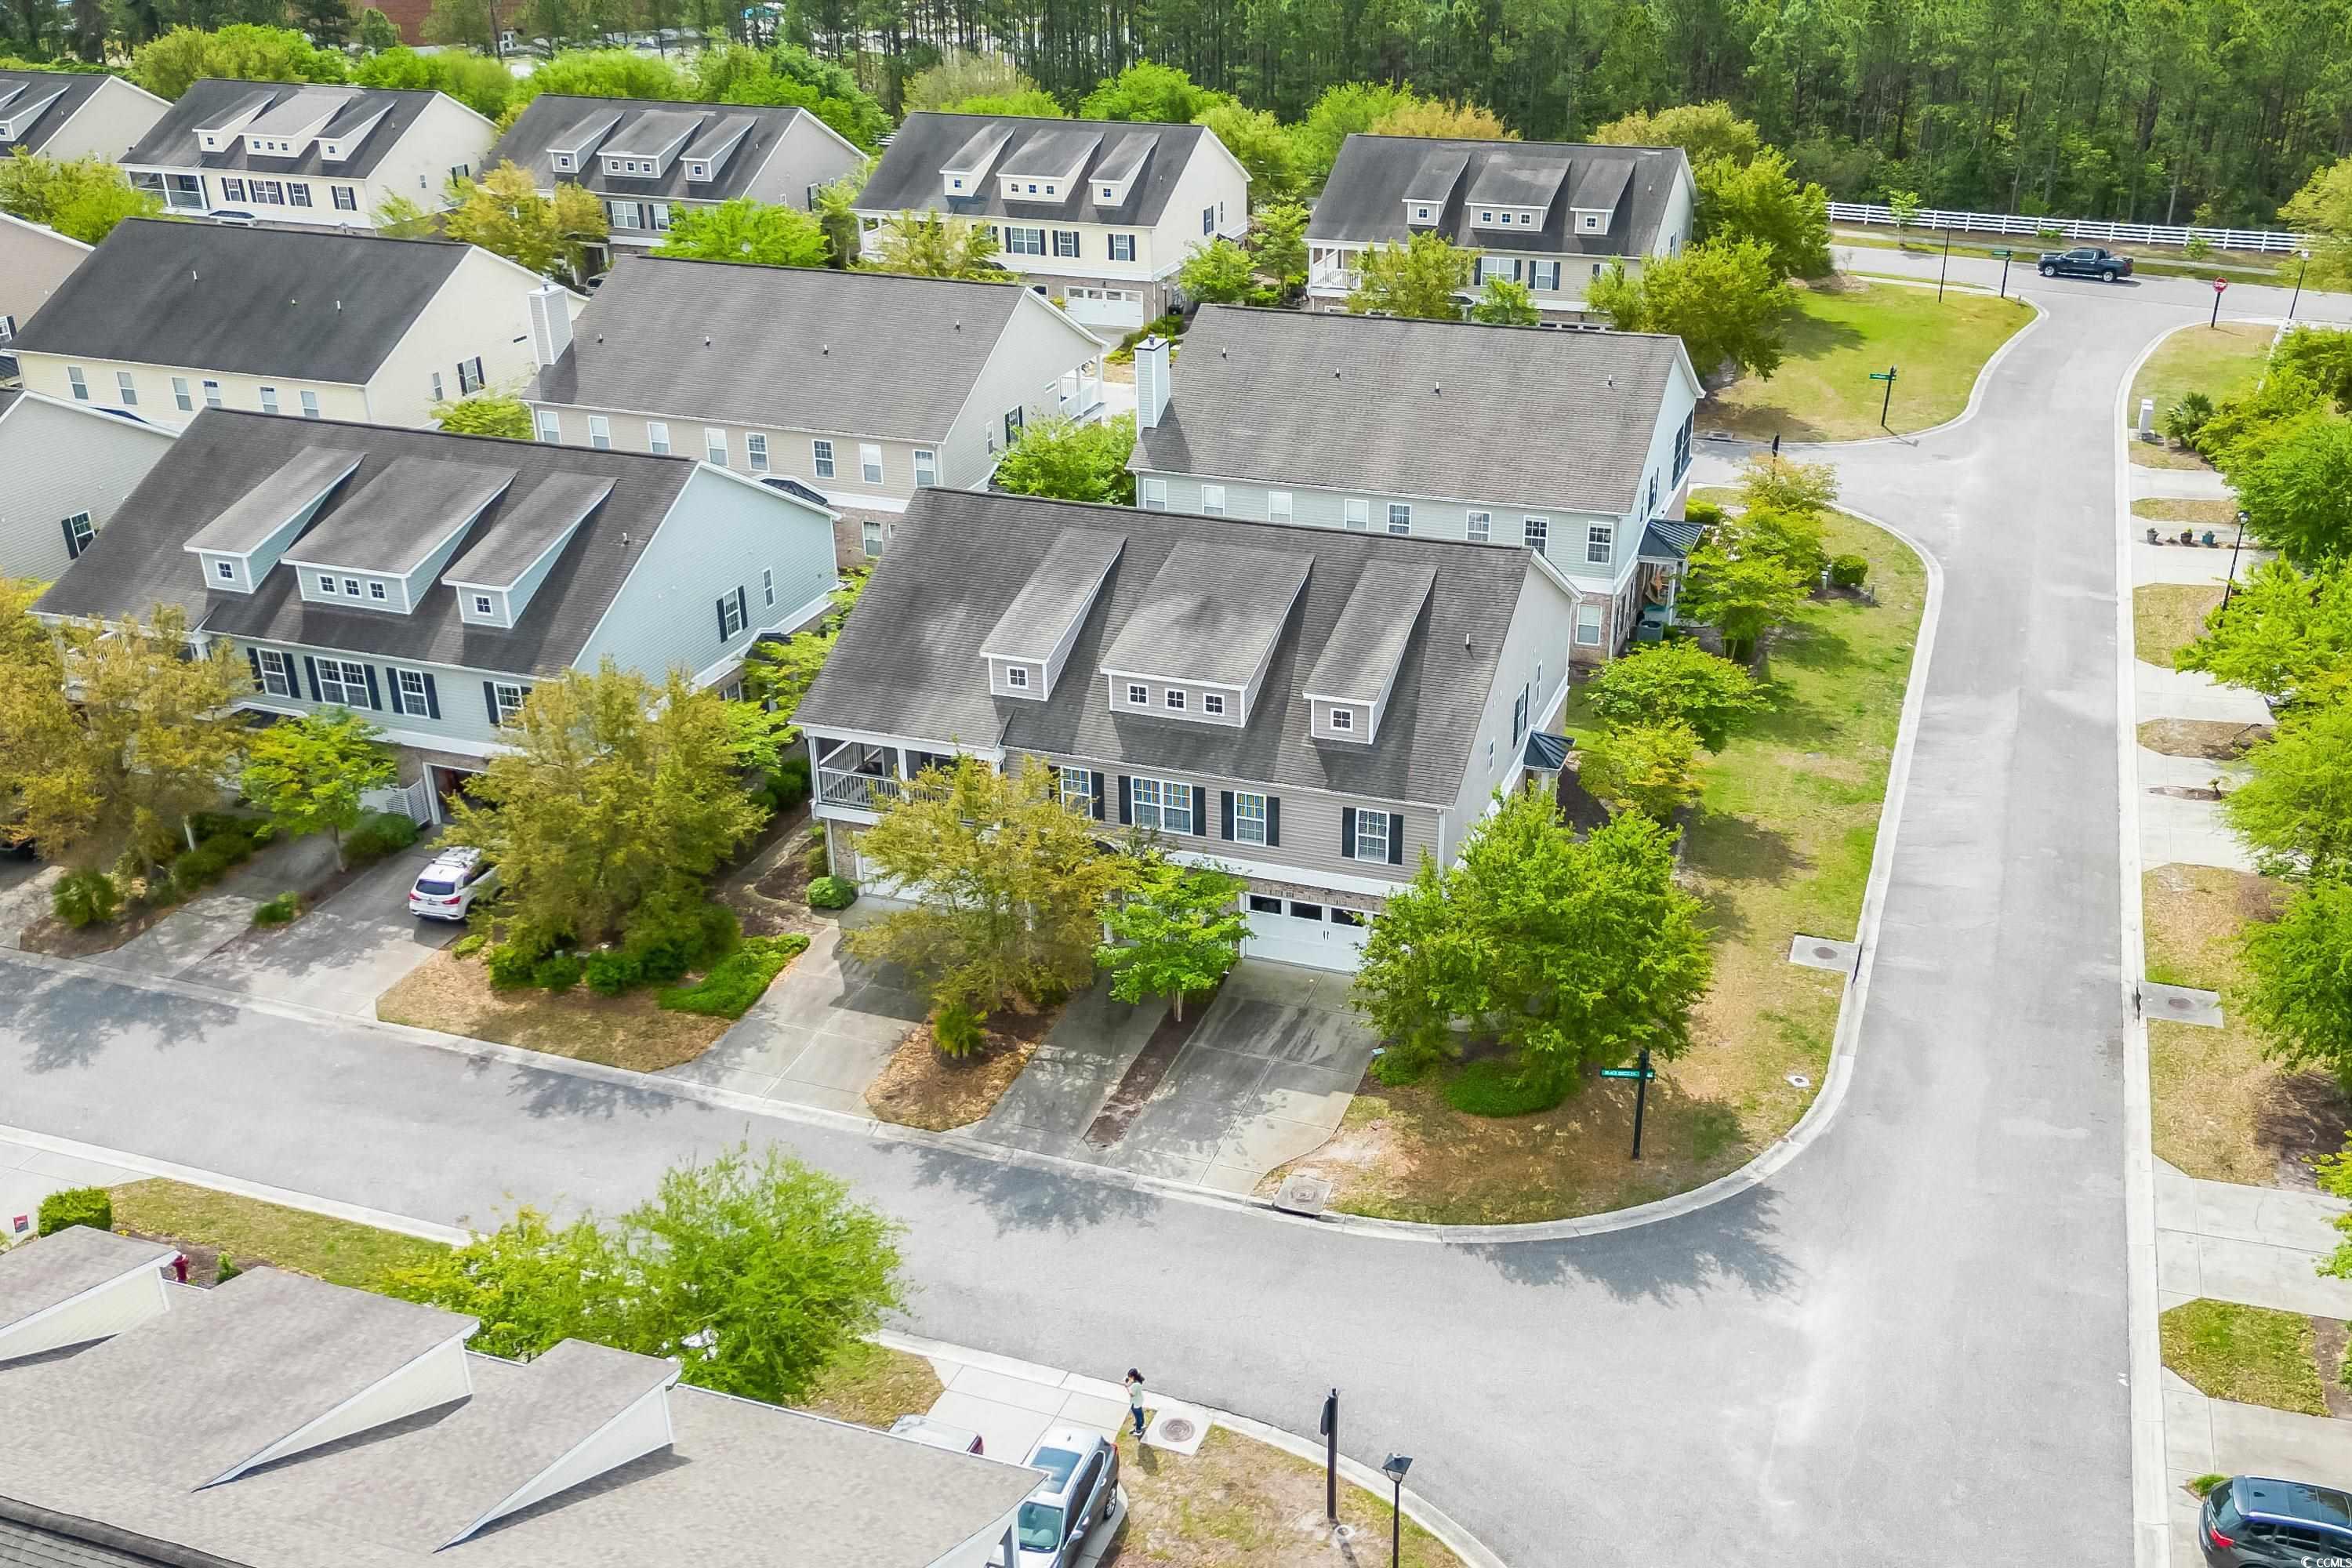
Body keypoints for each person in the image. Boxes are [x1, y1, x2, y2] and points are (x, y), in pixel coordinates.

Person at [1123, 1369, 1147, 1439]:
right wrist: (1128, 1382)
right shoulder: (1138, 1381)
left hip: (1135, 1402)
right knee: (1140, 1413)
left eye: (1130, 1377)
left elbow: (1132, 1394)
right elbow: (1131, 1381)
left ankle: (1138, 1430)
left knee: (1137, 1416)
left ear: (1133, 1377)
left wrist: (1126, 1387)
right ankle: (1142, 1424)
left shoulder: (1135, 1385)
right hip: (1139, 1401)